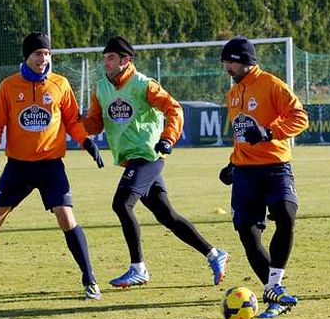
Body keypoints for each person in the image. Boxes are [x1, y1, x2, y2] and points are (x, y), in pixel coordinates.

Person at [0, 32, 104, 300]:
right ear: (26, 56)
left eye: (47, 54)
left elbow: (72, 122)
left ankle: (89, 279)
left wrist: (86, 143)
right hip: (17, 167)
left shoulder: (60, 84)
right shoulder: (8, 86)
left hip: (51, 166)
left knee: (66, 217)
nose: (43, 59)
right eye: (38, 54)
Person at [83, 35, 230, 288]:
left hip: (148, 157)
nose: (105, 63)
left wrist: (168, 138)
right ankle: (214, 253)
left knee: (121, 204)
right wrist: (72, 121)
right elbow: (95, 123)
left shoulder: (144, 84)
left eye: (110, 58)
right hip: (132, 161)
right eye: (104, 58)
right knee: (167, 215)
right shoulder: (101, 89)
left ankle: (138, 268)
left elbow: (174, 109)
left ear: (125, 60)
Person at [218, 36, 308, 319]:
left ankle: (275, 285)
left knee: (286, 214)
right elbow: (241, 134)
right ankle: (274, 290)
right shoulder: (232, 94)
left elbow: (300, 117)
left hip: (276, 167)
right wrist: (232, 164)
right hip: (245, 172)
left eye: (230, 62)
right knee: (248, 233)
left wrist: (269, 132)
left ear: (245, 61)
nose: (227, 68)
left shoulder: (272, 84)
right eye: (225, 63)